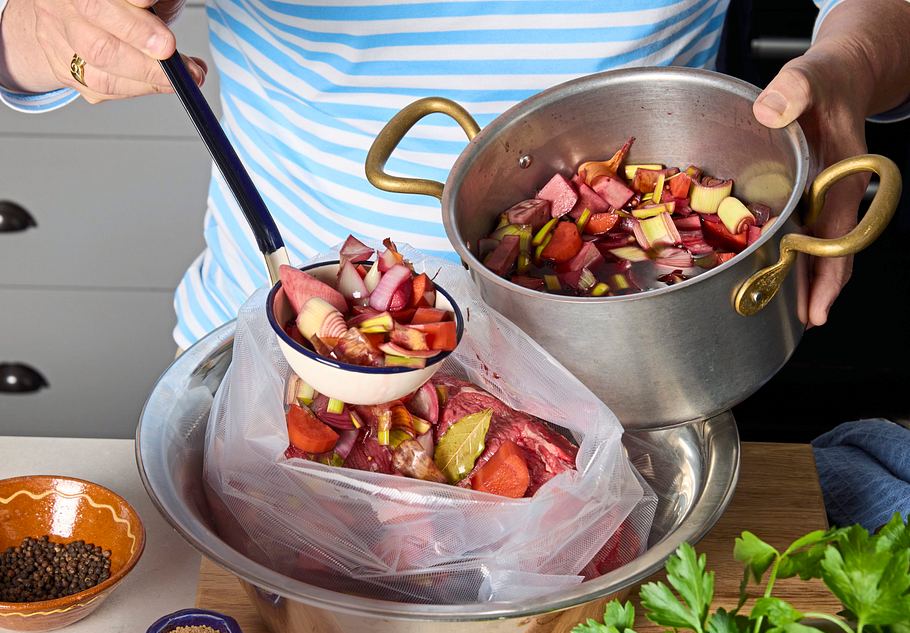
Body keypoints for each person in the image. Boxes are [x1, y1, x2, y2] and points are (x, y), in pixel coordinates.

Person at [1, 0, 908, 350]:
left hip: (634, 356)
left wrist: (857, 55)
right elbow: (22, 35)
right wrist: (47, 30)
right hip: (274, 341)